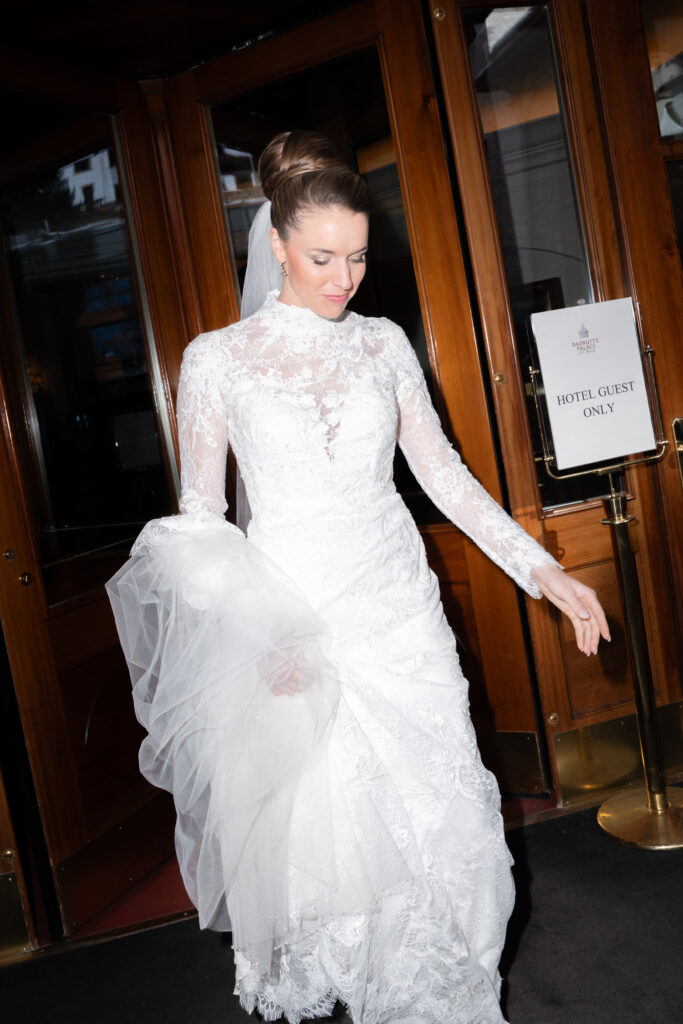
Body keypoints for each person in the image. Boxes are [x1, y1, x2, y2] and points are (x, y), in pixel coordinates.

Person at [106, 130, 609, 1024]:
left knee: (447, 815)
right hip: (296, 624)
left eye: (358, 258)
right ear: (275, 244)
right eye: (321, 257)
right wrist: (259, 638)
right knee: (336, 833)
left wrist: (542, 571)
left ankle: (455, 995)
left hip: (398, 611)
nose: (342, 278)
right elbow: (201, 521)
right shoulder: (215, 358)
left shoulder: (382, 346)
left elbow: (444, 476)